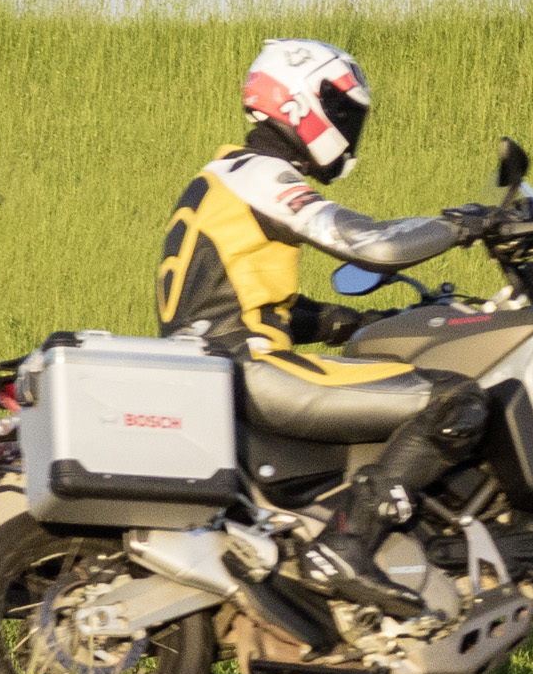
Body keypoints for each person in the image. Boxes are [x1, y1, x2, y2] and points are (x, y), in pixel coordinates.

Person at [155, 39, 497, 610]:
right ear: (298, 103)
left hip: (221, 364)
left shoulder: (220, 178)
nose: (347, 127)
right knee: (455, 398)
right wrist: (466, 224)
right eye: (341, 110)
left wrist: (352, 320)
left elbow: (250, 300)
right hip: (251, 367)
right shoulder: (260, 174)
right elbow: (371, 245)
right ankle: (349, 543)